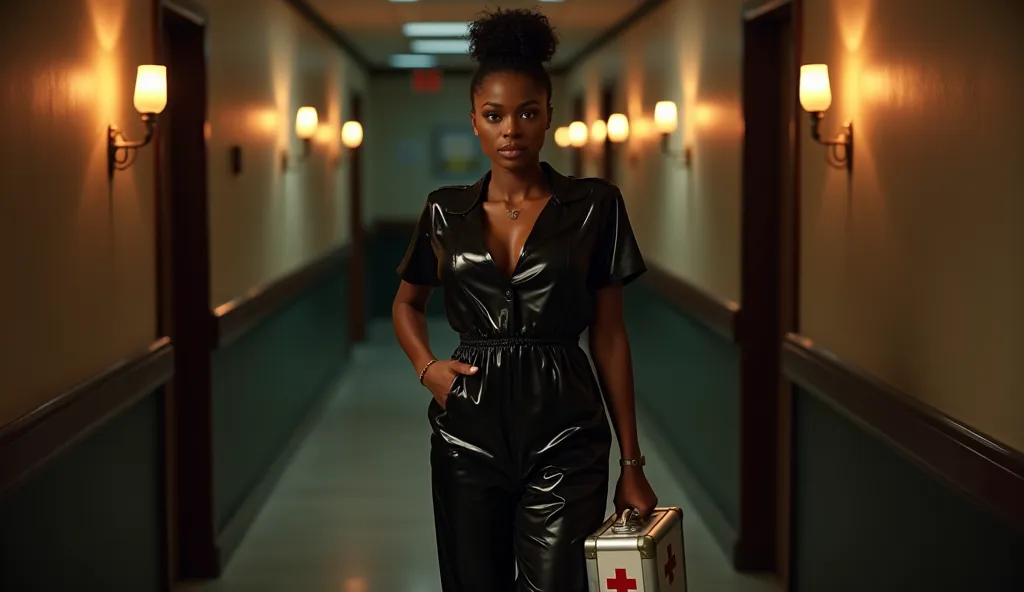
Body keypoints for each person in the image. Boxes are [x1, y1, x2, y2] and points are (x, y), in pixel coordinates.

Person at [391, 7, 658, 591]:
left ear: (547, 119)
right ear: (475, 122)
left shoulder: (594, 205)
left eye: (526, 113)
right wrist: (426, 367)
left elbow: (610, 334)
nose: (510, 128)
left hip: (566, 429)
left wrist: (632, 464)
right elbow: (406, 303)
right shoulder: (446, 210)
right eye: (494, 115)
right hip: (467, 428)